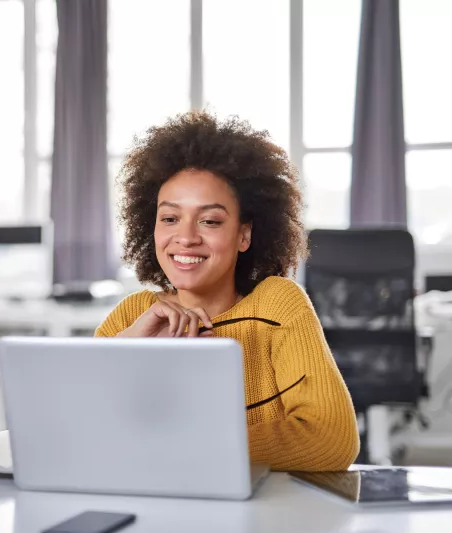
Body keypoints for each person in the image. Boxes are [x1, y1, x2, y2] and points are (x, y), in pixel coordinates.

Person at [95, 110, 359, 472]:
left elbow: (330, 439)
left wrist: (181, 449)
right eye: (170, 218)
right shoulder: (131, 316)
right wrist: (125, 351)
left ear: (244, 234)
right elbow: (83, 437)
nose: (185, 237)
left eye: (210, 220)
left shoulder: (279, 305)